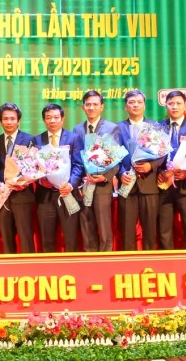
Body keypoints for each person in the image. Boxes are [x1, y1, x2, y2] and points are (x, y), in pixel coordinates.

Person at [117, 90, 166, 251]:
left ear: (144, 105)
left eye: (139, 102)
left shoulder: (155, 126)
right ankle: (128, 262)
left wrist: (150, 166)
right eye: (131, 102)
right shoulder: (118, 128)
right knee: (127, 230)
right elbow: (113, 155)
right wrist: (121, 173)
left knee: (150, 230)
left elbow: (163, 153)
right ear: (126, 107)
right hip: (127, 184)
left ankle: (149, 262)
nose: (135, 105)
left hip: (149, 184)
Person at [72, 90, 119, 252]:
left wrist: (105, 177)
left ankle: (105, 259)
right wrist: (78, 182)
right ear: (83, 107)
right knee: (86, 225)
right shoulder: (77, 129)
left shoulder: (112, 128)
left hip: (102, 185)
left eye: (95, 104)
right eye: (88, 104)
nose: (91, 107)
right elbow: (76, 158)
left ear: (102, 107)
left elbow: (117, 158)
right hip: (84, 185)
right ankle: (89, 259)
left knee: (104, 227)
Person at [157, 90, 186, 250]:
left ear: (185, 106)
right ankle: (166, 261)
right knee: (164, 229)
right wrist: (160, 172)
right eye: (171, 103)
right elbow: (152, 154)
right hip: (164, 185)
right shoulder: (158, 127)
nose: (174, 107)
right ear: (166, 106)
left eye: (178, 103)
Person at [34, 103, 84, 252]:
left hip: (67, 193)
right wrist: (40, 178)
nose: (52, 120)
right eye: (48, 117)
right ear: (44, 120)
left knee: (71, 239)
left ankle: (72, 266)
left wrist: (70, 184)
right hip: (45, 196)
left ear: (62, 119)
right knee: (47, 240)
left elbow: (78, 165)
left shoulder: (73, 138)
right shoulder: (37, 140)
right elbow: (33, 165)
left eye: (56, 117)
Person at [0, 103, 37, 254]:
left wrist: (23, 180)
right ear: (0, 121)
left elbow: (34, 166)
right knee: (6, 238)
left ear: (19, 121)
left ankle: (28, 266)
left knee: (25, 237)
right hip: (2, 195)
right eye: (6, 119)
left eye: (12, 118)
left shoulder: (30, 139)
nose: (9, 122)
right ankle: (8, 267)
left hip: (22, 195)